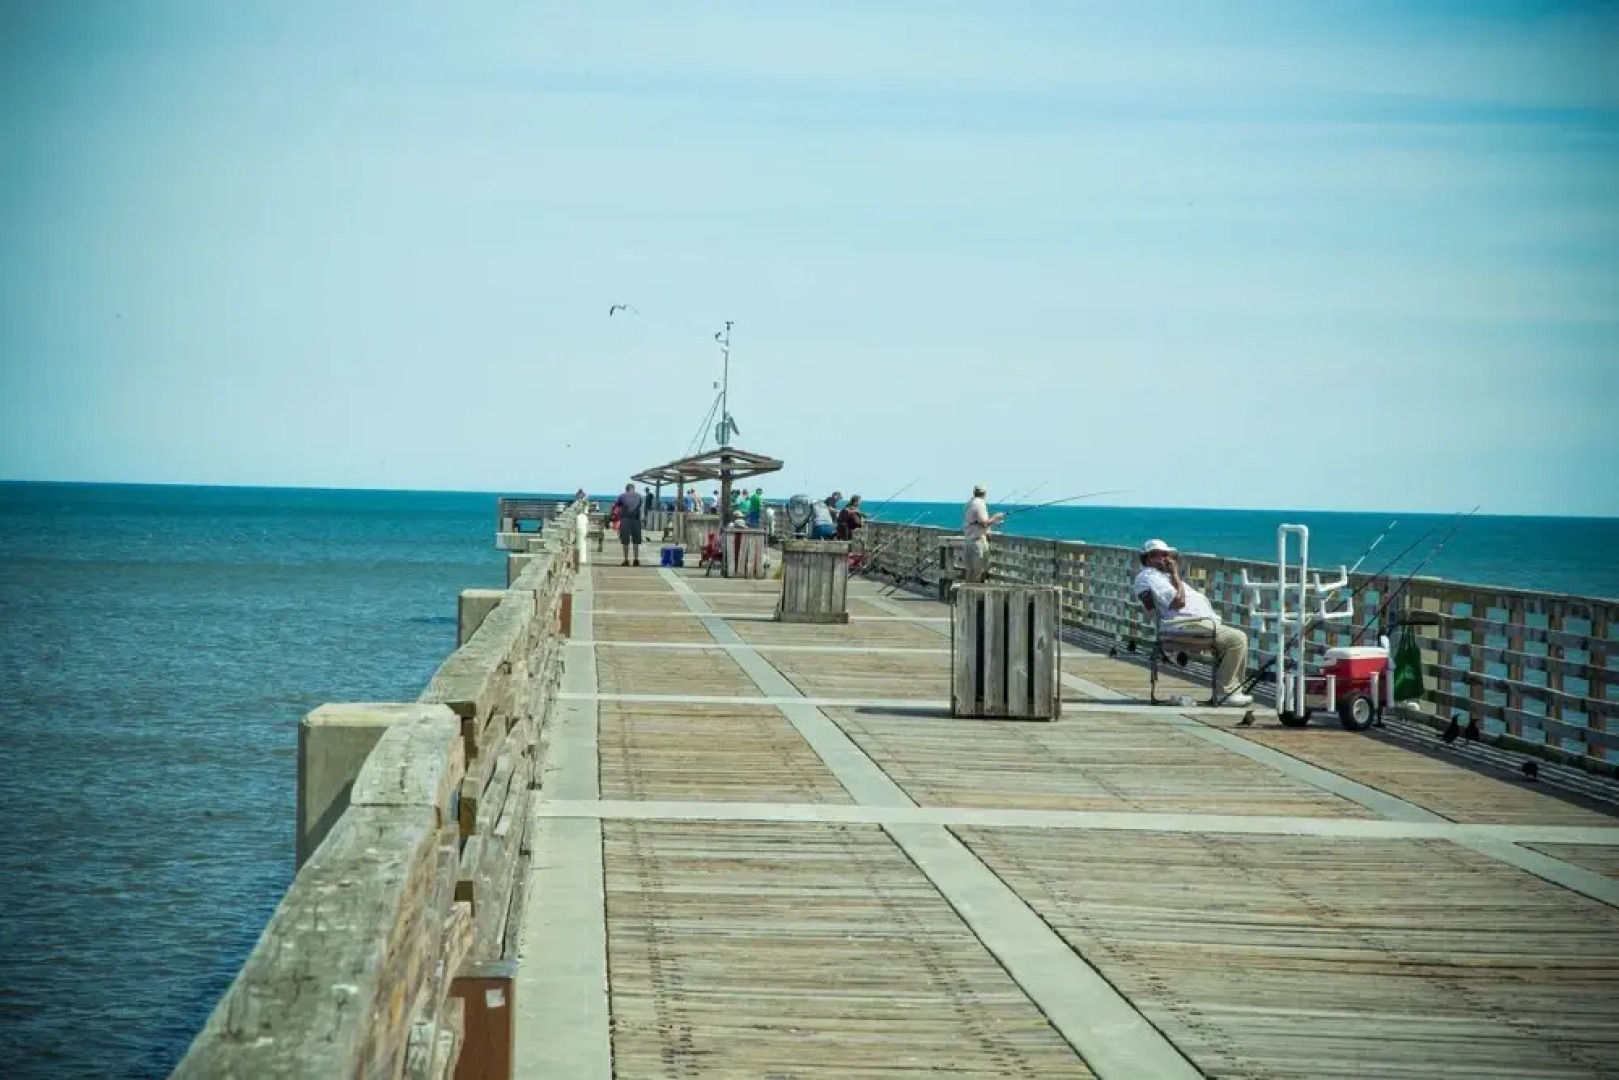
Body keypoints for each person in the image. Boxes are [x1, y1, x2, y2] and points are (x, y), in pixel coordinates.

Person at [1133, 539, 1252, 707]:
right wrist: (1175, 575)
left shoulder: (1160, 576)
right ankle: (1227, 693)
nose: (1162, 558)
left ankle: (1230, 690)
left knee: (1233, 639)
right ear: (1146, 558)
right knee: (1237, 639)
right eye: (1155, 555)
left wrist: (1173, 576)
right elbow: (1178, 602)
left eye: (1165, 554)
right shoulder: (1149, 576)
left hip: (1191, 624)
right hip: (1185, 626)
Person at [962, 485, 1004, 583]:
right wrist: (996, 517)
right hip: (977, 541)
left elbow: (977, 521)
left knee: (970, 570)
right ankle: (974, 594)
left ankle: (968, 593)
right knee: (978, 570)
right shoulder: (979, 504)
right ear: (985, 494)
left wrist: (989, 525)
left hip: (968, 539)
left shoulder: (969, 503)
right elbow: (984, 523)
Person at [613, 483, 644, 566]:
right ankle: (636, 560)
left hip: (625, 520)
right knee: (636, 541)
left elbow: (617, 507)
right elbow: (640, 506)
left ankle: (626, 560)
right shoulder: (639, 496)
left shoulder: (622, 496)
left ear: (626, 489)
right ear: (633, 488)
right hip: (636, 520)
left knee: (625, 541)